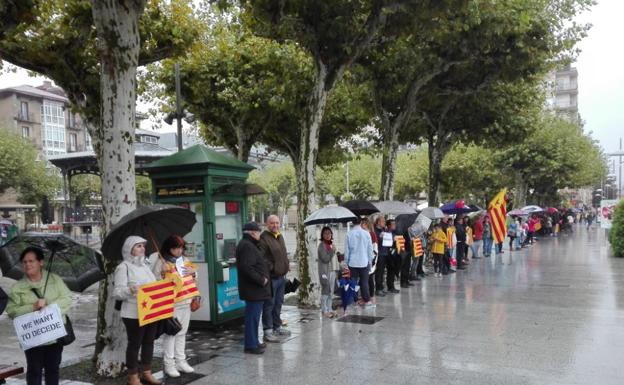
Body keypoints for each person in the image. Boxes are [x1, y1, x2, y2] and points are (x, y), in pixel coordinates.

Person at [6, 246, 72, 385]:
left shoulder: (55, 280)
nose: (27, 265)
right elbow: (12, 311)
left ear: (40, 262)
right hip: (32, 337)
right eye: (24, 262)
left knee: (53, 370)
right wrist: (32, 307)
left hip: (54, 336)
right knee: (34, 371)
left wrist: (50, 306)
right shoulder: (18, 287)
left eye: (31, 261)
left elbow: (67, 299)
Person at [113, 236, 161, 385]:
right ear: (130, 249)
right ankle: (133, 376)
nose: (142, 248)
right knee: (135, 344)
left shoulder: (145, 266)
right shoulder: (123, 267)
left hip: (151, 311)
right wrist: (130, 290)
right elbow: (117, 293)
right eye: (138, 246)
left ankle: (146, 372)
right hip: (133, 313)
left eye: (143, 246)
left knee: (149, 342)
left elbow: (153, 286)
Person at [149, 235, 196, 377]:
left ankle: (181, 360)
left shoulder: (185, 260)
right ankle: (169, 364)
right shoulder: (161, 262)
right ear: (169, 248)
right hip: (171, 303)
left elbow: (192, 279)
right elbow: (154, 281)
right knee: (171, 332)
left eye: (181, 248)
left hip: (186, 300)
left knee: (182, 332)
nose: (179, 251)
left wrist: (194, 273)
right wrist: (162, 272)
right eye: (175, 248)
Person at [236, 222, 272, 354]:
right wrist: (261, 279)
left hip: (256, 290)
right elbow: (247, 268)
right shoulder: (247, 246)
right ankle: (251, 345)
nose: (259, 235)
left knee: (255, 317)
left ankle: (255, 341)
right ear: (252, 233)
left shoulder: (249, 245)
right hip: (254, 289)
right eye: (258, 232)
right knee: (252, 318)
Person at [259, 215, 291, 342]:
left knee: (278, 303)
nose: (275, 225)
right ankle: (268, 331)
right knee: (269, 304)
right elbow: (262, 258)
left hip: (281, 278)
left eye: (277, 223)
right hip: (272, 278)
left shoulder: (279, 236)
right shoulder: (264, 238)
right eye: (272, 223)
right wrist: (273, 268)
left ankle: (276, 327)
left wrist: (286, 265)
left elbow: (283, 253)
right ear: (267, 224)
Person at [344, 217, 374, 307]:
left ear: (352, 222)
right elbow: (370, 249)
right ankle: (367, 300)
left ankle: (355, 300)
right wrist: (370, 261)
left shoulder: (349, 234)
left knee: (353, 282)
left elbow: (347, 251)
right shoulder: (366, 233)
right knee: (364, 282)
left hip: (352, 262)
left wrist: (346, 263)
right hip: (364, 261)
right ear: (361, 222)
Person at [318, 226, 338, 318]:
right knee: (325, 290)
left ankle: (329, 308)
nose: (328, 235)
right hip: (324, 272)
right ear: (322, 235)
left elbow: (333, 257)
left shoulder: (331, 244)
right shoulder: (321, 246)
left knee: (331, 291)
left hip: (332, 271)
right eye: (325, 233)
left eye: (329, 233)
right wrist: (332, 251)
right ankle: (324, 310)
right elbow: (325, 259)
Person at [373, 216, 389, 296]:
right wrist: (379, 237)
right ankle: (378, 289)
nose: (384, 223)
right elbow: (374, 242)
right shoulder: (374, 230)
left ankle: (381, 287)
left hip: (385, 252)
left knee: (382, 271)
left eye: (384, 221)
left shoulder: (384, 230)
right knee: (379, 272)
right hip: (379, 253)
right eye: (383, 221)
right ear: (378, 222)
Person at [385, 219, 400, 292]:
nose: (394, 225)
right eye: (393, 224)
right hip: (389, 254)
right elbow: (386, 244)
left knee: (393, 270)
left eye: (395, 224)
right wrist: (392, 240)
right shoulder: (386, 233)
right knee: (390, 270)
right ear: (388, 226)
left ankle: (391, 286)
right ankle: (390, 287)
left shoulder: (394, 232)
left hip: (394, 253)